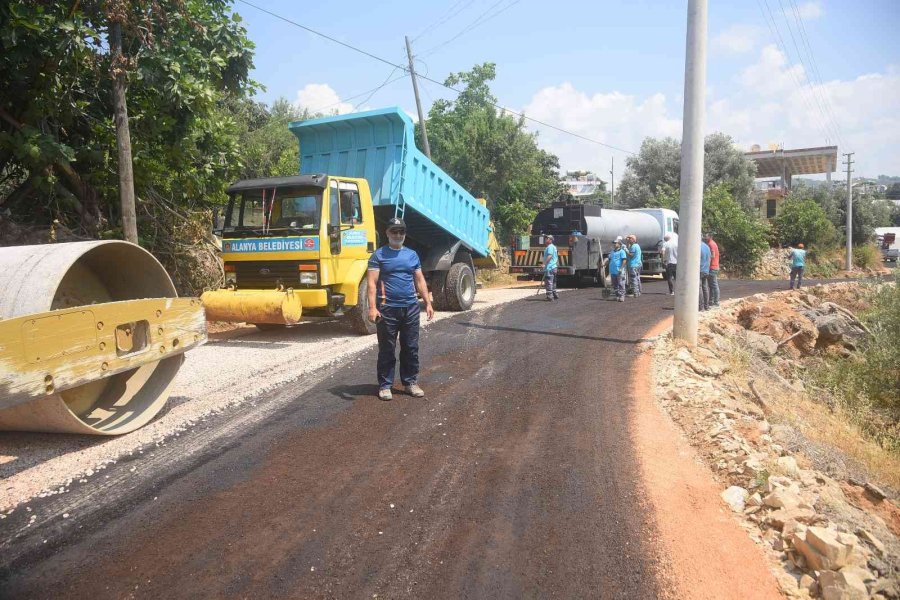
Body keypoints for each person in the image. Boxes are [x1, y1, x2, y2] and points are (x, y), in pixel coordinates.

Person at [367, 217, 434, 401]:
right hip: (387, 309)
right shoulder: (378, 255)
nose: (398, 235)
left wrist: (427, 302)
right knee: (387, 348)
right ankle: (385, 385)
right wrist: (372, 308)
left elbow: (419, 280)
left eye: (401, 231)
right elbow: (371, 283)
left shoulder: (412, 255)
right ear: (387, 233)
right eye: (394, 231)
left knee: (411, 347)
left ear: (405, 234)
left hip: (411, 308)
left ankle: (410, 382)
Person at [608, 237, 628, 302]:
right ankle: (617, 296)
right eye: (613, 243)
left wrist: (621, 269)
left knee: (621, 284)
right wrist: (604, 264)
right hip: (613, 271)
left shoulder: (622, 252)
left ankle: (622, 296)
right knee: (614, 285)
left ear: (619, 244)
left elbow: (624, 260)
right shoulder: (612, 252)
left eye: (615, 243)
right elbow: (610, 259)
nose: (614, 244)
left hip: (619, 271)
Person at [704, 232, 720, 306]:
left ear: (710, 237)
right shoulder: (712, 243)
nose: (704, 238)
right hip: (713, 266)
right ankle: (712, 301)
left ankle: (716, 302)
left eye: (706, 237)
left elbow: (712, 255)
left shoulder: (711, 244)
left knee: (713, 285)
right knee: (711, 285)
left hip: (712, 267)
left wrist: (705, 259)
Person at [543, 234, 559, 301]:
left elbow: (550, 256)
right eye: (546, 238)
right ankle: (554, 294)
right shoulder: (554, 247)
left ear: (550, 240)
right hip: (554, 267)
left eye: (547, 238)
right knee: (553, 281)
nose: (545, 239)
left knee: (549, 281)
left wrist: (545, 264)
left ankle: (550, 296)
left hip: (550, 267)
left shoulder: (550, 247)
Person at [699, 238, 711, 311]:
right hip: (706, 269)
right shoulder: (707, 246)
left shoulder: (697, 247)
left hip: (700, 270)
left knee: (699, 288)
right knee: (705, 287)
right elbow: (710, 258)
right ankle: (706, 306)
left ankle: (701, 307)